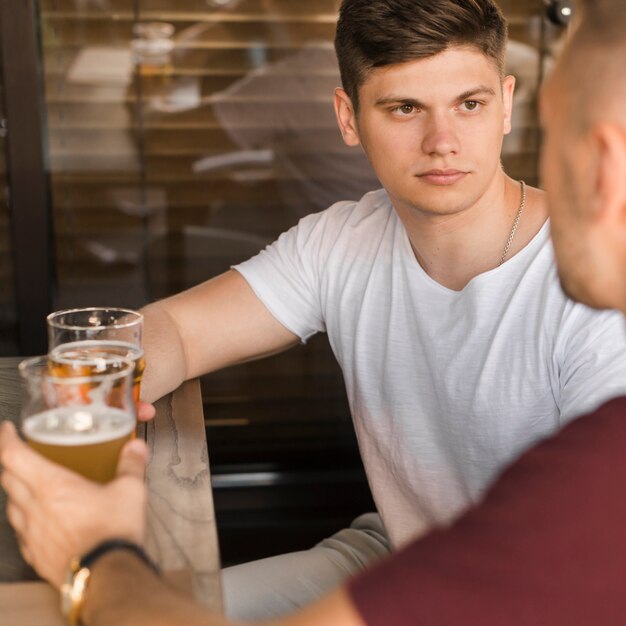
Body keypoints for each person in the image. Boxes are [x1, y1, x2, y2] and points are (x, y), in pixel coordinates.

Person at [4, 0, 626, 622]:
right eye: (404, 108)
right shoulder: (342, 240)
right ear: (348, 117)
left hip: (506, 592)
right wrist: (92, 396)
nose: (443, 143)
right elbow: (176, 332)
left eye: (470, 104)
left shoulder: (594, 302)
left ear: (507, 103)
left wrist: (96, 550)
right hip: (391, 550)